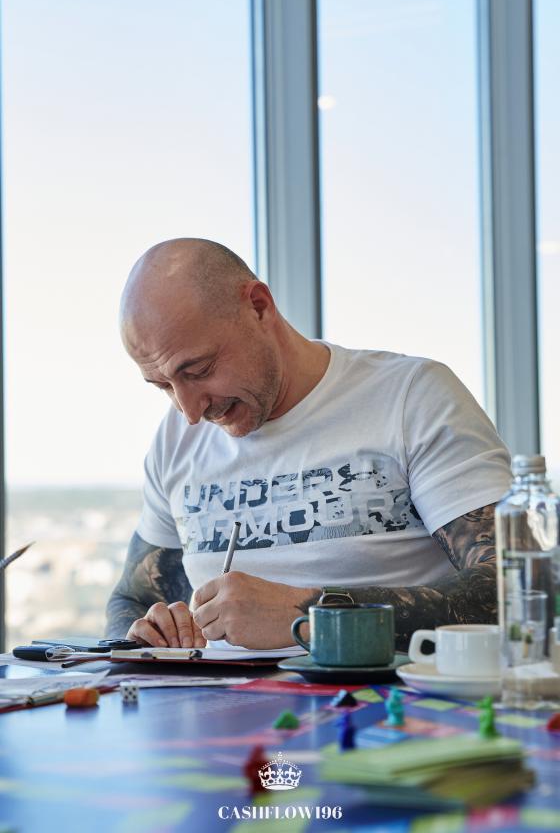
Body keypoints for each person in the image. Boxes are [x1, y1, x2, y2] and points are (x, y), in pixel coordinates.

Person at [106, 237, 512, 650]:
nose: (191, 411)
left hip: (383, 692)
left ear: (259, 306)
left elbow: (514, 587)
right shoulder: (176, 440)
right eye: (163, 386)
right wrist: (145, 636)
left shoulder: (411, 398)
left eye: (199, 370)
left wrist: (309, 613)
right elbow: (133, 599)